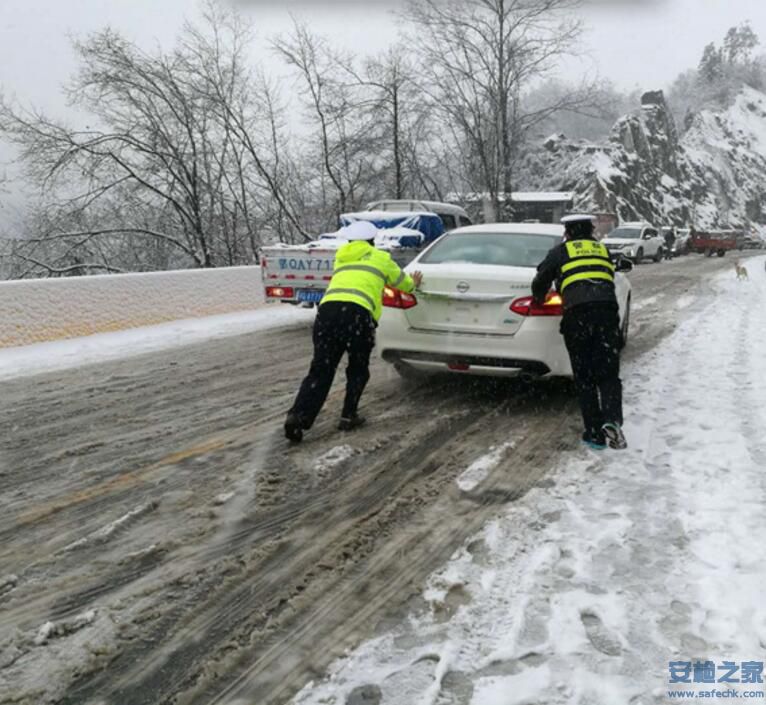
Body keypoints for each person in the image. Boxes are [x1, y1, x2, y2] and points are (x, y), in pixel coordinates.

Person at [284, 221, 422, 443]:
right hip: (357, 315)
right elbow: (403, 284)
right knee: (357, 367)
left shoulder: (341, 258)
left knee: (320, 370)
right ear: (372, 241)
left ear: (349, 242)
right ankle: (349, 415)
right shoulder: (380, 258)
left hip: (327, 313)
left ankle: (297, 417)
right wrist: (413, 283)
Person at [532, 214, 627, 450]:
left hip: (578, 316)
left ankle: (594, 434)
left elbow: (540, 280)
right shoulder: (601, 250)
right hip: (606, 314)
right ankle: (612, 421)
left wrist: (539, 296)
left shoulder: (561, 252)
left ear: (568, 233)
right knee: (608, 372)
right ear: (591, 231)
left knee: (584, 376)